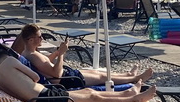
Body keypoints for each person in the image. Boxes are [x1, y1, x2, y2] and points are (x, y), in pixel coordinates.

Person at [0, 49, 157, 102]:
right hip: (45, 97)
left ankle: (129, 92)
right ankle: (134, 97)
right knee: (93, 97)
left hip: (42, 97)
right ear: (6, 57)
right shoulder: (11, 62)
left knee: (90, 92)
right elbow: (34, 77)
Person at [16, 24, 153, 87]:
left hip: (67, 75)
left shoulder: (28, 53)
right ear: (31, 40)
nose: (42, 39)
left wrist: (57, 52)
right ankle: (136, 78)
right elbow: (56, 73)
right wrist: (62, 55)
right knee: (102, 76)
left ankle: (128, 75)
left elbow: (45, 64)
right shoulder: (33, 55)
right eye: (40, 37)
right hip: (66, 80)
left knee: (95, 71)